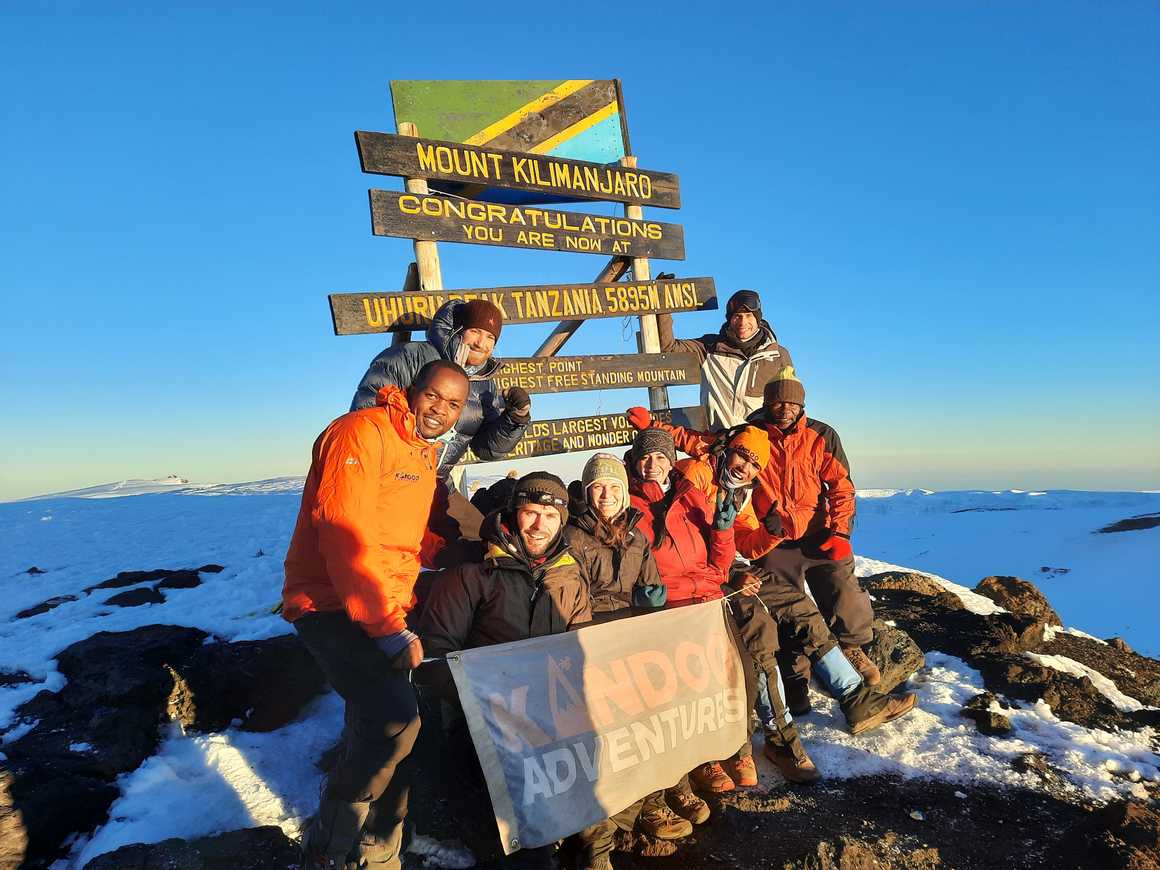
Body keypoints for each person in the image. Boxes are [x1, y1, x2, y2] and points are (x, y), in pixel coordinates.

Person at [629, 369, 918, 733]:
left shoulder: (746, 492)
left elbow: (748, 540)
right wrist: (654, 426)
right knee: (772, 623)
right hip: (707, 582)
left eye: (754, 465)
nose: (746, 467)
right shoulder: (696, 477)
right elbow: (694, 446)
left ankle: (856, 699)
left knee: (804, 609)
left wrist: (771, 532)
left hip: (743, 566)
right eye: (742, 458)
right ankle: (794, 700)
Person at [282, 360, 470, 869]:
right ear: (412, 391)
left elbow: (398, 530)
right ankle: (329, 847)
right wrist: (387, 629)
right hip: (329, 602)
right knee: (396, 722)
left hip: (382, 601)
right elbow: (345, 535)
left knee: (385, 721)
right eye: (433, 396)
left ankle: (382, 844)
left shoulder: (421, 452)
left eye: (453, 404)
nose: (440, 410)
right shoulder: (359, 433)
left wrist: (448, 551)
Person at [418, 472, 643, 870]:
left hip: (552, 707)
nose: (539, 525)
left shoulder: (568, 571)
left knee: (605, 760)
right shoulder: (475, 571)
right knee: (525, 829)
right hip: (489, 718)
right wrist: (483, 703)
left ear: (563, 522)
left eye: (550, 516)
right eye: (530, 512)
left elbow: (581, 641)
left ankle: (594, 846)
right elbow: (437, 657)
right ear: (513, 513)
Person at [564, 455, 705, 841]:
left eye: (613, 487)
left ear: (625, 494)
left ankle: (668, 786)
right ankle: (639, 808)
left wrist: (651, 601)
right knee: (624, 723)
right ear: (586, 490)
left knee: (667, 707)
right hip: (598, 642)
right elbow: (574, 601)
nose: (606, 494)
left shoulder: (635, 535)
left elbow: (649, 580)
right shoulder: (573, 536)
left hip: (636, 635)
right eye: (597, 486)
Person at [624, 427, 761, 795]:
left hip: (709, 599)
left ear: (672, 461)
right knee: (691, 683)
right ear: (636, 461)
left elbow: (719, 567)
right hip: (670, 607)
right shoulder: (629, 505)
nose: (653, 465)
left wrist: (722, 529)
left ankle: (739, 747)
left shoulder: (691, 495)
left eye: (661, 457)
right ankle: (705, 759)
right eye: (646, 457)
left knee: (740, 671)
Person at [350, 298, 531, 540]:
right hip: (392, 479)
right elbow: (366, 413)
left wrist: (514, 419)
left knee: (488, 543)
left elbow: (487, 450)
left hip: (438, 483)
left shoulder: (484, 384)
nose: (481, 343)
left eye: (490, 338)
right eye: (475, 331)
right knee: (390, 551)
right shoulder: (411, 357)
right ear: (458, 330)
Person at [656, 287, 793, 429]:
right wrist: (662, 306)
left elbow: (790, 400)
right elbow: (669, 348)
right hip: (718, 442)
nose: (742, 322)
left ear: (758, 318)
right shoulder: (709, 348)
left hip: (761, 443)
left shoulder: (778, 355)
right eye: (737, 316)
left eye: (748, 315)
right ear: (729, 319)